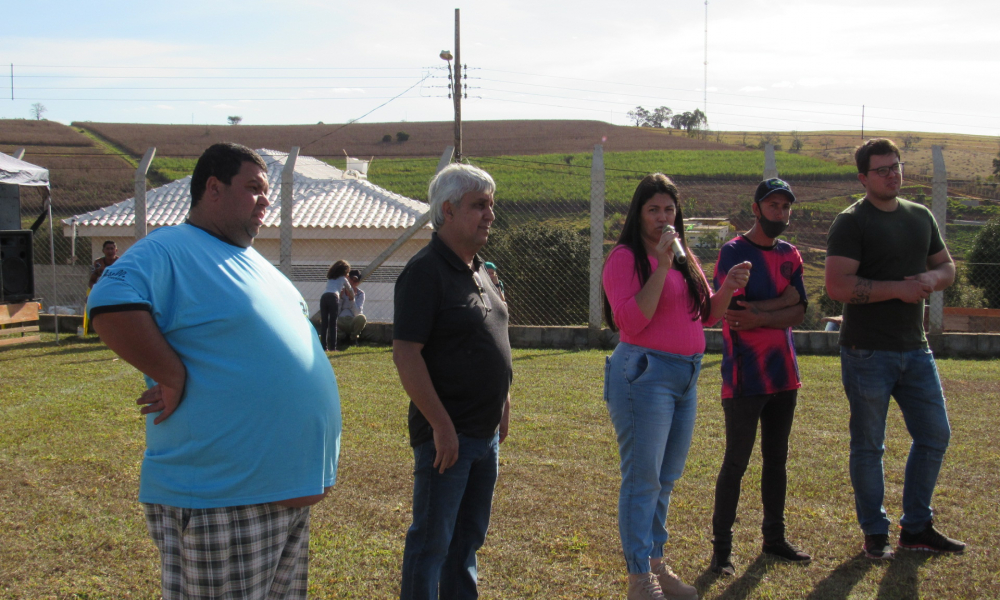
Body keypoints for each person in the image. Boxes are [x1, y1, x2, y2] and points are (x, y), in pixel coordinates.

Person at [88, 142, 342, 600]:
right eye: (254, 189)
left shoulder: (259, 266)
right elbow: (108, 303)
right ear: (213, 188)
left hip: (280, 497)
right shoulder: (172, 248)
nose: (266, 200)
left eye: (268, 192)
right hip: (221, 498)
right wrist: (171, 373)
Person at [602, 173, 750, 600]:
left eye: (669, 209)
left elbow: (705, 315)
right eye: (654, 210)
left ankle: (655, 565)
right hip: (645, 374)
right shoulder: (626, 258)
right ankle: (638, 581)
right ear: (639, 213)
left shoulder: (683, 258)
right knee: (642, 479)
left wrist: (727, 287)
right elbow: (630, 321)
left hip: (687, 374)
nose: (663, 217)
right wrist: (662, 265)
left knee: (664, 480)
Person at [825, 138, 964, 560]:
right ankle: (875, 532)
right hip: (867, 352)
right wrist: (899, 291)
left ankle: (916, 526)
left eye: (896, 166)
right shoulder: (851, 222)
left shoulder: (920, 216)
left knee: (935, 434)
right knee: (869, 445)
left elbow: (948, 266)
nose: (892, 174)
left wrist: (931, 281)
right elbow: (838, 286)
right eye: (882, 169)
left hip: (915, 349)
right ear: (863, 177)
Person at [393, 163, 512, 600]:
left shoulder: (479, 270)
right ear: (447, 209)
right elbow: (406, 353)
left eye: (492, 205)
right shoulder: (425, 271)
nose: (490, 214)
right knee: (431, 546)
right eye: (479, 205)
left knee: (466, 544)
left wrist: (503, 399)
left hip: (483, 437)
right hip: (449, 439)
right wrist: (441, 426)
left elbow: (494, 336)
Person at [709, 178, 811, 577]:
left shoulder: (790, 254)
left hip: (784, 375)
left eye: (786, 207)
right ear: (756, 208)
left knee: (777, 460)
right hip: (745, 376)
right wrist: (782, 302)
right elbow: (736, 314)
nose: (780, 213)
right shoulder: (734, 252)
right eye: (773, 206)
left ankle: (774, 538)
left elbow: (800, 311)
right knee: (736, 462)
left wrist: (765, 313)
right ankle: (722, 552)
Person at [320, 260, 350, 351]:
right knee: (333, 323)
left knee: (324, 323)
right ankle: (333, 347)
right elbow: (350, 289)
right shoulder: (343, 279)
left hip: (324, 297)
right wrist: (352, 297)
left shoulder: (330, 278)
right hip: (333, 298)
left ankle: (323, 347)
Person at [337, 268, 367, 346]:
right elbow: (336, 312)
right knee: (329, 317)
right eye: (351, 279)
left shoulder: (361, 294)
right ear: (347, 279)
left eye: (355, 281)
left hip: (352, 320)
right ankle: (341, 337)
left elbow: (357, 313)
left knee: (362, 318)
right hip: (340, 320)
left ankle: (353, 338)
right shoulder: (340, 291)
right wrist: (340, 299)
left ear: (358, 282)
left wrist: (352, 300)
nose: (352, 282)